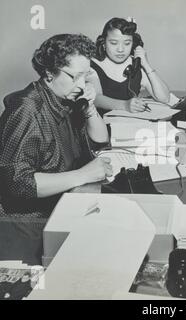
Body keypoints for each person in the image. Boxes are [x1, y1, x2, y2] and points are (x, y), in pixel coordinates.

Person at [0, 34, 112, 263]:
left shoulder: (65, 98)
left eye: (85, 76)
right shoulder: (27, 111)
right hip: (27, 226)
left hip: (61, 206)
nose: (81, 85)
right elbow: (17, 184)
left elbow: (101, 140)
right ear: (49, 73)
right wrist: (83, 175)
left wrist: (89, 107)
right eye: (74, 77)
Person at [89, 17, 171, 116]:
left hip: (130, 125)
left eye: (127, 43)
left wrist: (146, 65)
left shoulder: (135, 66)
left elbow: (165, 98)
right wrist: (125, 105)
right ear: (103, 44)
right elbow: (96, 98)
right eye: (114, 43)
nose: (120, 49)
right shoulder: (93, 65)